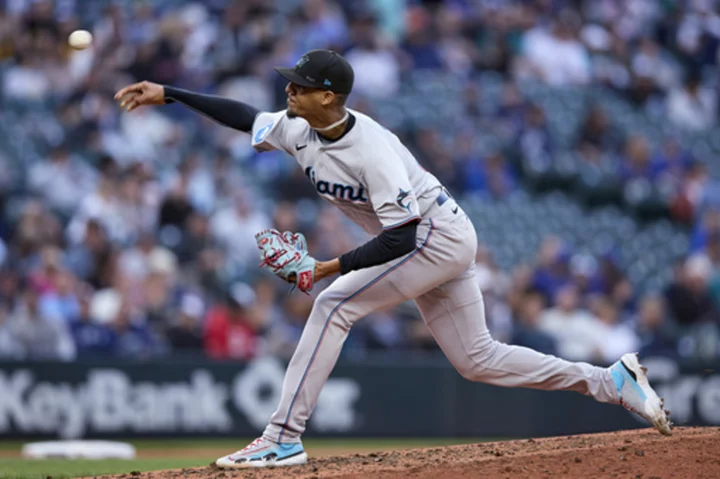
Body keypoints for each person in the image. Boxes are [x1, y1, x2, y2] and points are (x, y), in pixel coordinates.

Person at [114, 49, 671, 470]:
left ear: (329, 96)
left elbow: (401, 239)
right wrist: (172, 93)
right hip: (434, 239)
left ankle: (283, 437)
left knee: (334, 305)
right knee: (477, 359)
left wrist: (327, 268)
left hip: (434, 238)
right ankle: (610, 381)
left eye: (301, 86)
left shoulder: (372, 150)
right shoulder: (297, 127)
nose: (289, 90)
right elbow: (243, 116)